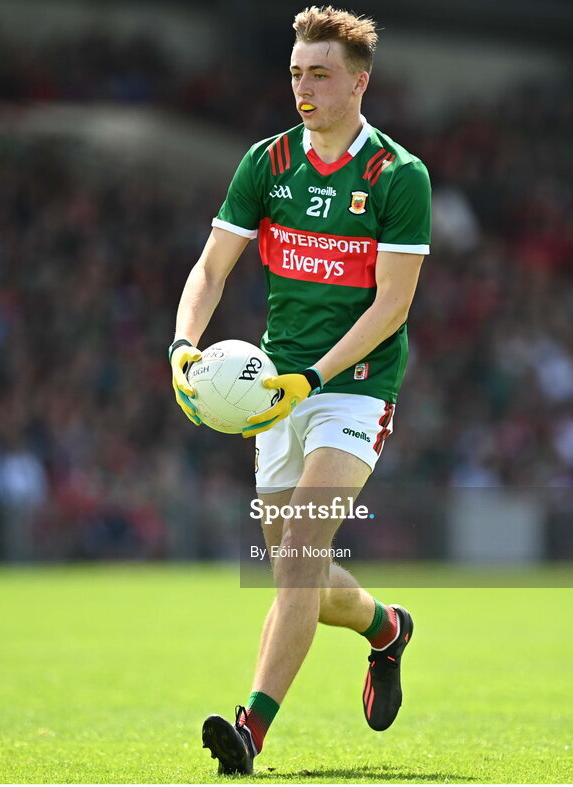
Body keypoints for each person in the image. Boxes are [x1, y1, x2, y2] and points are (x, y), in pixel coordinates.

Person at [168, 5, 431, 775]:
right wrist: (184, 343)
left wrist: (312, 378)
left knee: (301, 554)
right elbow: (212, 268)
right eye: (294, 73)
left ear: (359, 82)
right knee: (300, 577)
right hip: (273, 389)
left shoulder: (397, 176)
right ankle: (386, 628)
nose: (303, 88)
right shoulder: (267, 163)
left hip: (352, 388)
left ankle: (250, 728)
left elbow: (393, 305)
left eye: (319, 74)